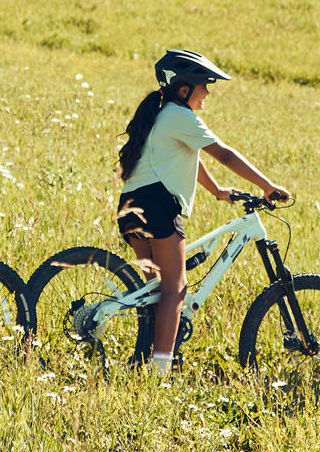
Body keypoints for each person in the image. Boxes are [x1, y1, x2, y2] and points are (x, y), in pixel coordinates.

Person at [113, 49, 291, 373]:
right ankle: (160, 372)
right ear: (185, 90)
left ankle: (148, 358)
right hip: (157, 204)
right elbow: (224, 154)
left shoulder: (160, 113)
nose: (207, 93)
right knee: (175, 288)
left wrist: (219, 191)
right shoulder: (180, 116)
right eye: (204, 87)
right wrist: (268, 186)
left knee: (156, 292)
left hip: (130, 206)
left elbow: (189, 158)